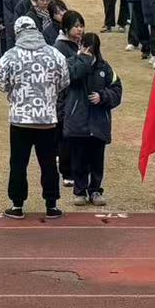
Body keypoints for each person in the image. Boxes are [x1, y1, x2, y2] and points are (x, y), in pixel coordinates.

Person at [0, 14, 68, 220]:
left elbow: (1, 82)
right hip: (46, 119)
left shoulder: (10, 56)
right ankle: (51, 204)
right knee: (48, 163)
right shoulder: (54, 54)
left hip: (20, 120)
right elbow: (64, 81)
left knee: (18, 163)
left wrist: (14, 92)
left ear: (17, 32)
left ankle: (17, 205)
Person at [62, 31, 122, 206]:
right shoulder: (72, 63)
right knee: (78, 158)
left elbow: (117, 90)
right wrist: (84, 59)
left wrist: (102, 97)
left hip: (98, 122)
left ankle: (95, 190)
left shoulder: (105, 68)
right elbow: (71, 77)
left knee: (97, 160)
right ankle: (79, 191)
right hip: (78, 121)